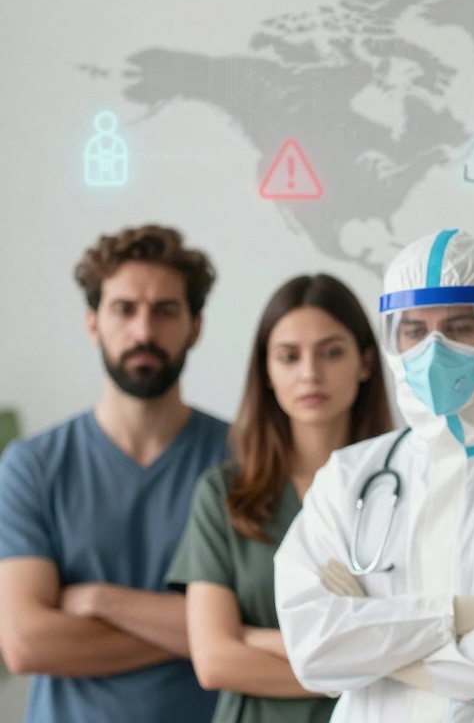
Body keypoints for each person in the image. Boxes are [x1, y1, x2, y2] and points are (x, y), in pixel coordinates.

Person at [274, 229, 474, 723]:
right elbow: (313, 646)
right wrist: (465, 616)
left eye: (460, 327)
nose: (433, 349)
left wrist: (374, 645)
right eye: (413, 330)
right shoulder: (349, 476)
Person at [0, 225, 228, 722]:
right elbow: (24, 643)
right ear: (93, 324)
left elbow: (268, 624)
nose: (144, 332)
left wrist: (100, 600)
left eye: (166, 311)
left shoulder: (243, 461)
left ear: (195, 327)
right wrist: (206, 634)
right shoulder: (32, 466)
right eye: (124, 309)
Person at [165, 274, 394, 723]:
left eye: (331, 352)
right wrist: (366, 664)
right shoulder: (225, 494)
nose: (310, 373)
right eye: (289, 356)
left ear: (365, 362)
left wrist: (254, 638)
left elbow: (426, 643)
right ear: (266, 371)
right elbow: (214, 661)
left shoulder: (407, 487)